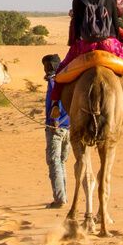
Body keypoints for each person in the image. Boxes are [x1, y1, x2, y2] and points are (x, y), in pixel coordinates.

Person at [41, 54, 70, 207]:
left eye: (46, 66)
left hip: (56, 128)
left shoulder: (54, 82)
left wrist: (55, 121)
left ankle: (59, 200)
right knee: (61, 162)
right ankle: (63, 196)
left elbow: (55, 103)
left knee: (54, 162)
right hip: (68, 128)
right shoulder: (68, 80)